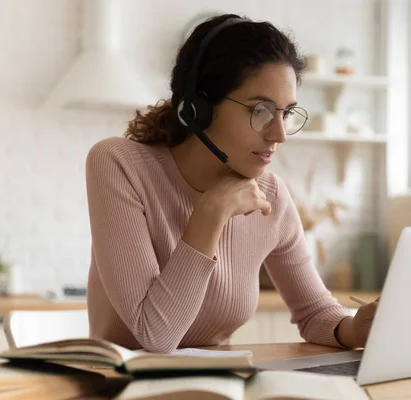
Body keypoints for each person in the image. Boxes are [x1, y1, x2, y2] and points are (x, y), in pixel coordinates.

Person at [85, 13, 378, 354]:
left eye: (286, 113)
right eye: (261, 110)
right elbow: (156, 336)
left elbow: (315, 312)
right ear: (200, 108)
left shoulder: (272, 197)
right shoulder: (120, 165)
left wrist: (355, 328)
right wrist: (211, 212)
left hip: (219, 387)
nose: (280, 134)